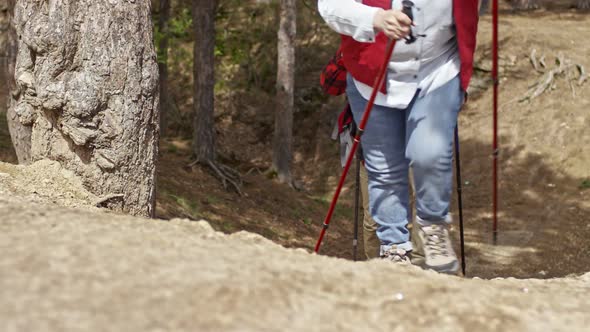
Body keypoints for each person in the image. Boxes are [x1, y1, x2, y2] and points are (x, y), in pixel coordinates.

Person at [318, 0, 479, 274]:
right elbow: (330, 5)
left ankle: (431, 230)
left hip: (437, 72)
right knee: (383, 171)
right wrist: (376, 18)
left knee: (429, 153)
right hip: (372, 79)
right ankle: (393, 251)